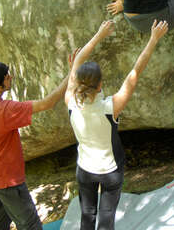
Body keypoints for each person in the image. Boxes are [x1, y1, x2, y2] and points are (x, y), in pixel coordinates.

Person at [65, 19, 168, 230]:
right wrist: (153, 40)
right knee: (106, 218)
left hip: (85, 170)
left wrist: (99, 34)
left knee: (87, 216)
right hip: (110, 171)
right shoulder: (110, 107)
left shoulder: (70, 102)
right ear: (100, 84)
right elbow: (135, 73)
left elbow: (77, 63)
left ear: (76, 80)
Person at [0, 54, 76, 230]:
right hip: (6, 179)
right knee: (30, 224)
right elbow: (47, 103)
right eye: (7, 77)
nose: (11, 77)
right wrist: (72, 72)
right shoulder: (2, 111)